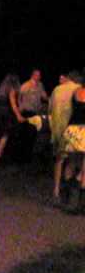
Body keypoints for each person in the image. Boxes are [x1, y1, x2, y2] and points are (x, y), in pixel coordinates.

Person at [54, 81, 85, 213]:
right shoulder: (79, 92)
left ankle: (67, 198)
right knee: (82, 166)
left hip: (73, 128)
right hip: (82, 130)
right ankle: (77, 201)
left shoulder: (76, 92)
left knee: (71, 163)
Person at [0, 74, 25, 165]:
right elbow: (13, 104)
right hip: (7, 113)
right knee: (6, 136)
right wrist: (18, 115)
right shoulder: (12, 90)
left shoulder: (3, 90)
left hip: (0, 111)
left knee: (4, 135)